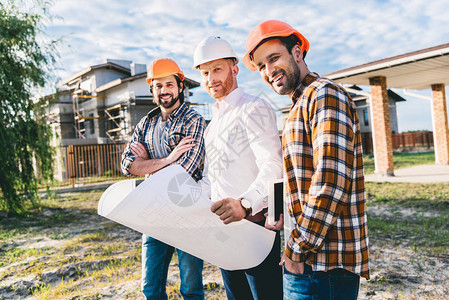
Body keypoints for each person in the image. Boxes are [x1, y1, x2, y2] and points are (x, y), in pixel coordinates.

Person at [243, 20, 370, 299]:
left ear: (297, 53)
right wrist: (280, 213)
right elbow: (301, 180)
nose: (268, 70)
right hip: (310, 261)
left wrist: (297, 250)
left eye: (273, 58)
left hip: (322, 265)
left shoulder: (325, 95)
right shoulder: (299, 105)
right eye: (261, 66)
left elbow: (330, 183)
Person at [192, 36, 283, 300]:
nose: (211, 78)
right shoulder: (211, 127)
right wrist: (192, 198)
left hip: (256, 227)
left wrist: (244, 204)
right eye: (205, 72)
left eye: (217, 69)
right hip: (225, 230)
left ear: (234, 69)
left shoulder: (254, 108)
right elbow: (212, 177)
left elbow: (273, 165)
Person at [121, 58, 206, 300]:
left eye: (169, 84)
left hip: (187, 212)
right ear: (152, 90)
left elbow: (185, 172)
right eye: (158, 86)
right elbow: (127, 165)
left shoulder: (193, 121)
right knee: (150, 288)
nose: (164, 91)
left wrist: (147, 166)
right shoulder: (146, 123)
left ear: (180, 86)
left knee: (190, 289)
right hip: (154, 216)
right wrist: (168, 159)